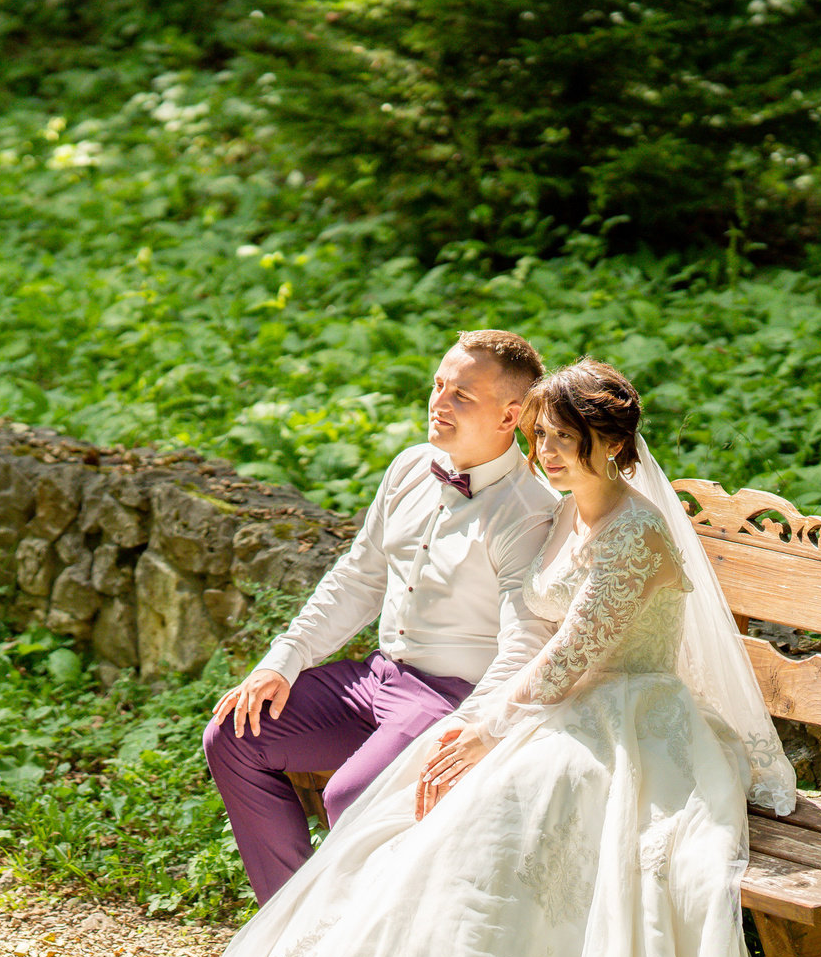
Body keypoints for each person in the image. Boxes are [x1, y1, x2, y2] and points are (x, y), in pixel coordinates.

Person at [168, 360, 801, 957]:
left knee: (488, 820)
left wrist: (485, 725)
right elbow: (512, 629)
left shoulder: (632, 530)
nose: (551, 454)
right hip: (547, 707)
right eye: (543, 439)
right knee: (428, 808)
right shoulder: (567, 515)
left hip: (627, 718)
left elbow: (572, 651)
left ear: (612, 443)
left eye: (566, 440)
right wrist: (483, 718)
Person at [204, 330, 559, 904]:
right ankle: (288, 922)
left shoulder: (530, 513)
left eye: (461, 396)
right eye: (438, 385)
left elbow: (525, 641)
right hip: (374, 679)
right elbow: (359, 577)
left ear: (511, 415)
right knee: (235, 732)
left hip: (450, 700)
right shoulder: (410, 467)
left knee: (353, 794)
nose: (438, 403)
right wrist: (283, 661)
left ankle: (344, 941)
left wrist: (477, 727)